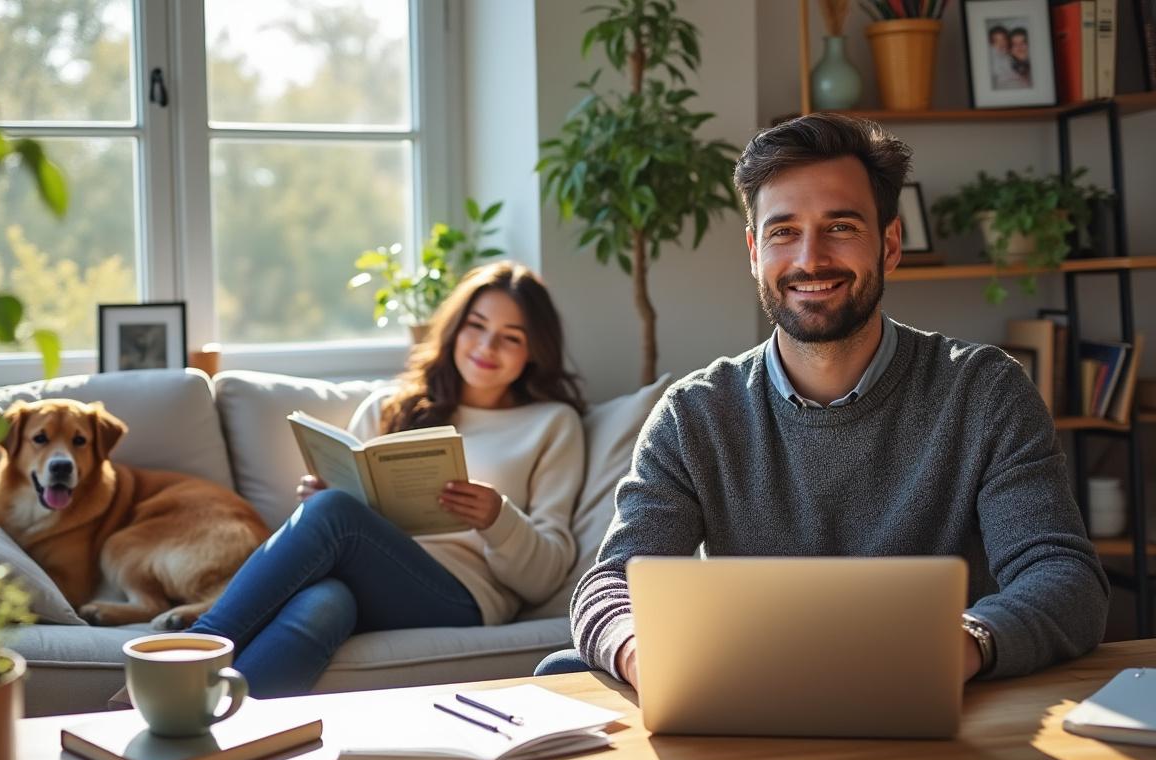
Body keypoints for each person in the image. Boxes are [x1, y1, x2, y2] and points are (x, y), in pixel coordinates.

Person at [536, 113, 1108, 688]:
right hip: (748, 694)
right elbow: (612, 584)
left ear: (889, 244)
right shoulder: (694, 415)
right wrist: (641, 654)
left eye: (840, 226)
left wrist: (965, 642)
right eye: (783, 232)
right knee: (561, 670)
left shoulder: (985, 391)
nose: (810, 259)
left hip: (926, 693)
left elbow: (1063, 576)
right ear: (754, 251)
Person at [190, 261, 587, 697]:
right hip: (367, 580)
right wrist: (319, 498)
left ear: (534, 350)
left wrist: (498, 518)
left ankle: (187, 655)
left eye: (511, 337)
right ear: (455, 329)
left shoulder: (553, 424)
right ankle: (213, 723)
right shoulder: (389, 406)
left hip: (462, 597)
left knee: (334, 512)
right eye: (476, 326)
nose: (487, 346)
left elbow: (546, 577)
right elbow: (346, 510)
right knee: (323, 604)